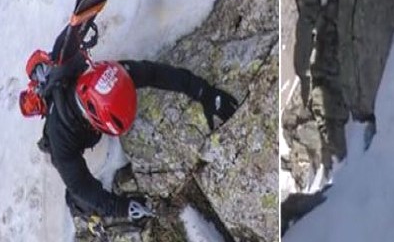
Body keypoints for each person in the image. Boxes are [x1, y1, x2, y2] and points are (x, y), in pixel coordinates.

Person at [19, 25, 239, 228]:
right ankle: (81, 212)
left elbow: (154, 74)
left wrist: (204, 92)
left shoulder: (113, 75)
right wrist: (120, 207)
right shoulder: (61, 137)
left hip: (78, 89)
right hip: (67, 132)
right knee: (79, 199)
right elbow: (80, 186)